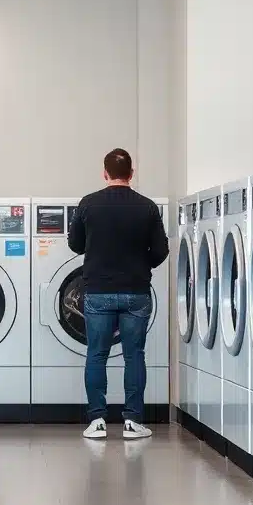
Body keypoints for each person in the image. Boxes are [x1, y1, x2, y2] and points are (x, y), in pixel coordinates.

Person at [68, 149, 169, 440]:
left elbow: (76, 245)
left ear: (105, 173)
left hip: (98, 291)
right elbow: (161, 251)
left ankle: (97, 421)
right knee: (134, 356)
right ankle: (133, 422)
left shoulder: (88, 204)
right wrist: (140, 265)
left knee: (96, 355)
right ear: (131, 174)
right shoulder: (148, 207)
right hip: (136, 292)